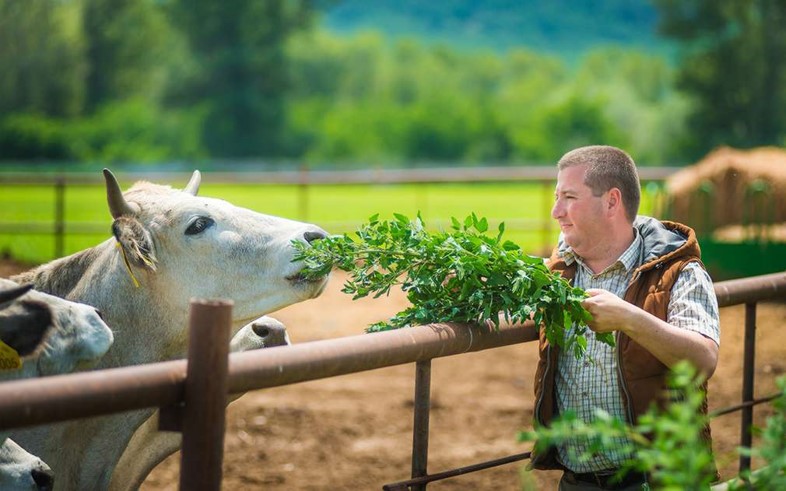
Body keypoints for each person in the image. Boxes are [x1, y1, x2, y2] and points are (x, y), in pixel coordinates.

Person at [530, 145, 720, 490]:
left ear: (611, 202)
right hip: (577, 482)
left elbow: (703, 360)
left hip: (656, 481)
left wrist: (629, 319)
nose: (556, 211)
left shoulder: (678, 272)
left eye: (569, 197)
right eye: (557, 197)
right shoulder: (558, 272)